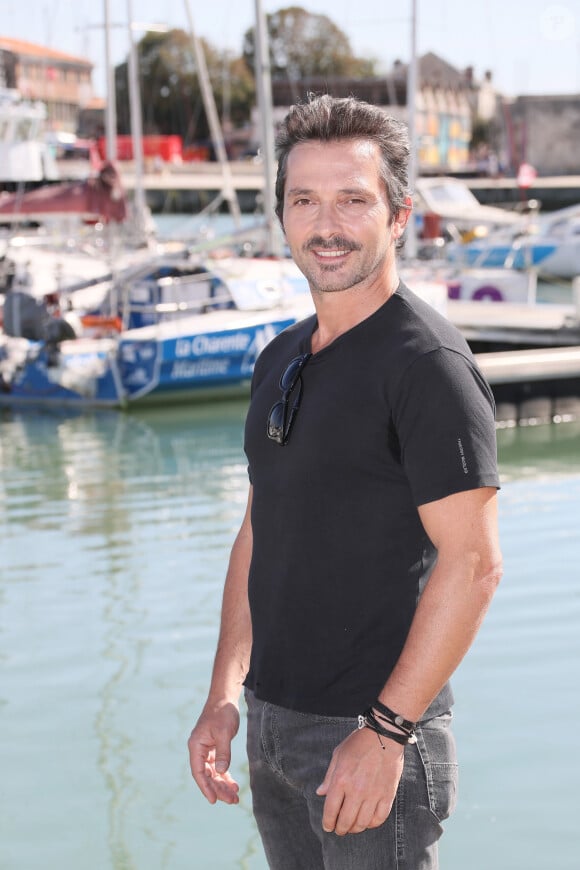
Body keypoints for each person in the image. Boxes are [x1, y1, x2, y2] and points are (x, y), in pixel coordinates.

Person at [188, 94, 502, 870]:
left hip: (370, 737)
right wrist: (225, 693)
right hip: (272, 724)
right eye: (306, 200)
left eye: (353, 200)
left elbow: (473, 564)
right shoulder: (281, 357)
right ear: (284, 215)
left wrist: (388, 731)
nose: (327, 225)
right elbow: (262, 529)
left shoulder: (427, 368)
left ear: (398, 215)